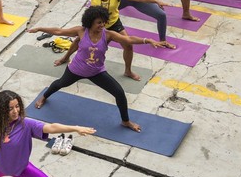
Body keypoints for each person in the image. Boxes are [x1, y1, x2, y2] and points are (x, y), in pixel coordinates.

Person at [29, 7, 164, 132]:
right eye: (99, 22)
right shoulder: (81, 31)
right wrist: (40, 28)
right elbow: (58, 31)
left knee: (119, 93)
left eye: (103, 22)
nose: (102, 25)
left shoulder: (109, 35)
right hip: (76, 69)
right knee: (59, 83)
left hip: (97, 72)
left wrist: (147, 40)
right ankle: (44, 97)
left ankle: (126, 121)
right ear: (90, 22)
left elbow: (128, 39)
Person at [43, 0, 171, 81]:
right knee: (78, 41)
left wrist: (156, 1)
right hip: (94, 24)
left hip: (113, 23)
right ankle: (66, 58)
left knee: (128, 45)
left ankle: (128, 71)